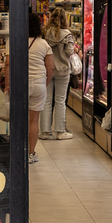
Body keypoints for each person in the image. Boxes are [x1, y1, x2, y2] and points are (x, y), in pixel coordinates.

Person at [40, 8, 77, 141]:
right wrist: (75, 48)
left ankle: (45, 132)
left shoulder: (45, 32)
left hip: (48, 70)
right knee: (60, 101)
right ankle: (60, 132)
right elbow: (69, 52)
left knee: (47, 101)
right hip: (63, 70)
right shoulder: (67, 34)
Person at [25, 11, 54, 164]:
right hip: (38, 83)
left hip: (21, 84)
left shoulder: (16, 41)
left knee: (20, 119)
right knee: (34, 120)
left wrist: (8, 84)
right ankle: (31, 153)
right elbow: (50, 67)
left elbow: (9, 64)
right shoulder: (44, 44)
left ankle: (19, 151)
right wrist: (45, 82)